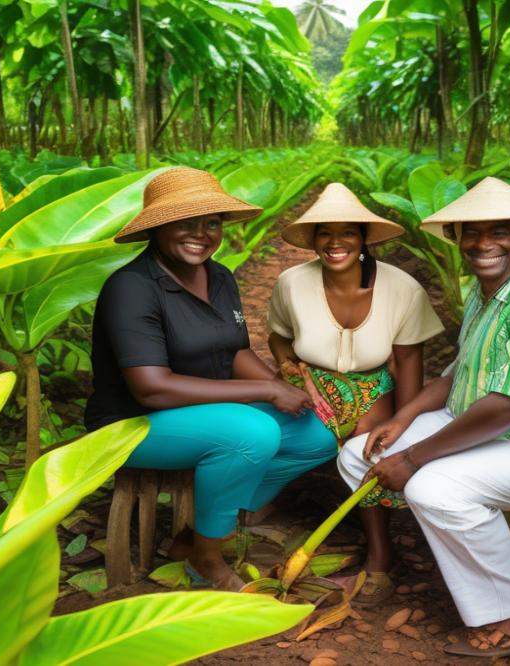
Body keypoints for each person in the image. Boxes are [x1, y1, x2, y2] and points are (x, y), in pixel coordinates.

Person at [337, 177, 510, 657]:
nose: (483, 244)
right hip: (485, 426)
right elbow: (459, 374)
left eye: (499, 231)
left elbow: (508, 406)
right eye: (470, 233)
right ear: (457, 239)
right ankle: (460, 548)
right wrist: (401, 421)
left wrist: (414, 459)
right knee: (359, 454)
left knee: (432, 488)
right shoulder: (487, 290)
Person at [85, 167, 337, 592]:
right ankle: (207, 558)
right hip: (131, 425)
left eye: (211, 223)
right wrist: (266, 390)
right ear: (157, 227)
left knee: (316, 436)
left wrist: (285, 386)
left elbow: (235, 351)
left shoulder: (218, 276)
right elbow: (152, 387)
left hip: (202, 414)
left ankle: (199, 534)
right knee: (249, 431)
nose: (200, 234)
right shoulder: (131, 288)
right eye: (185, 223)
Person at [267, 182, 444, 602]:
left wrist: (406, 425)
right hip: (312, 381)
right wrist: (286, 364)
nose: (335, 242)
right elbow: (277, 336)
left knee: (367, 447)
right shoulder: (291, 283)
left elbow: (406, 363)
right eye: (325, 233)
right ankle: (264, 511)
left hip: (370, 384)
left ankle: (380, 555)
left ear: (363, 239)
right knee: (273, 436)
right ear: (313, 240)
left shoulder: (401, 289)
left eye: (347, 232)